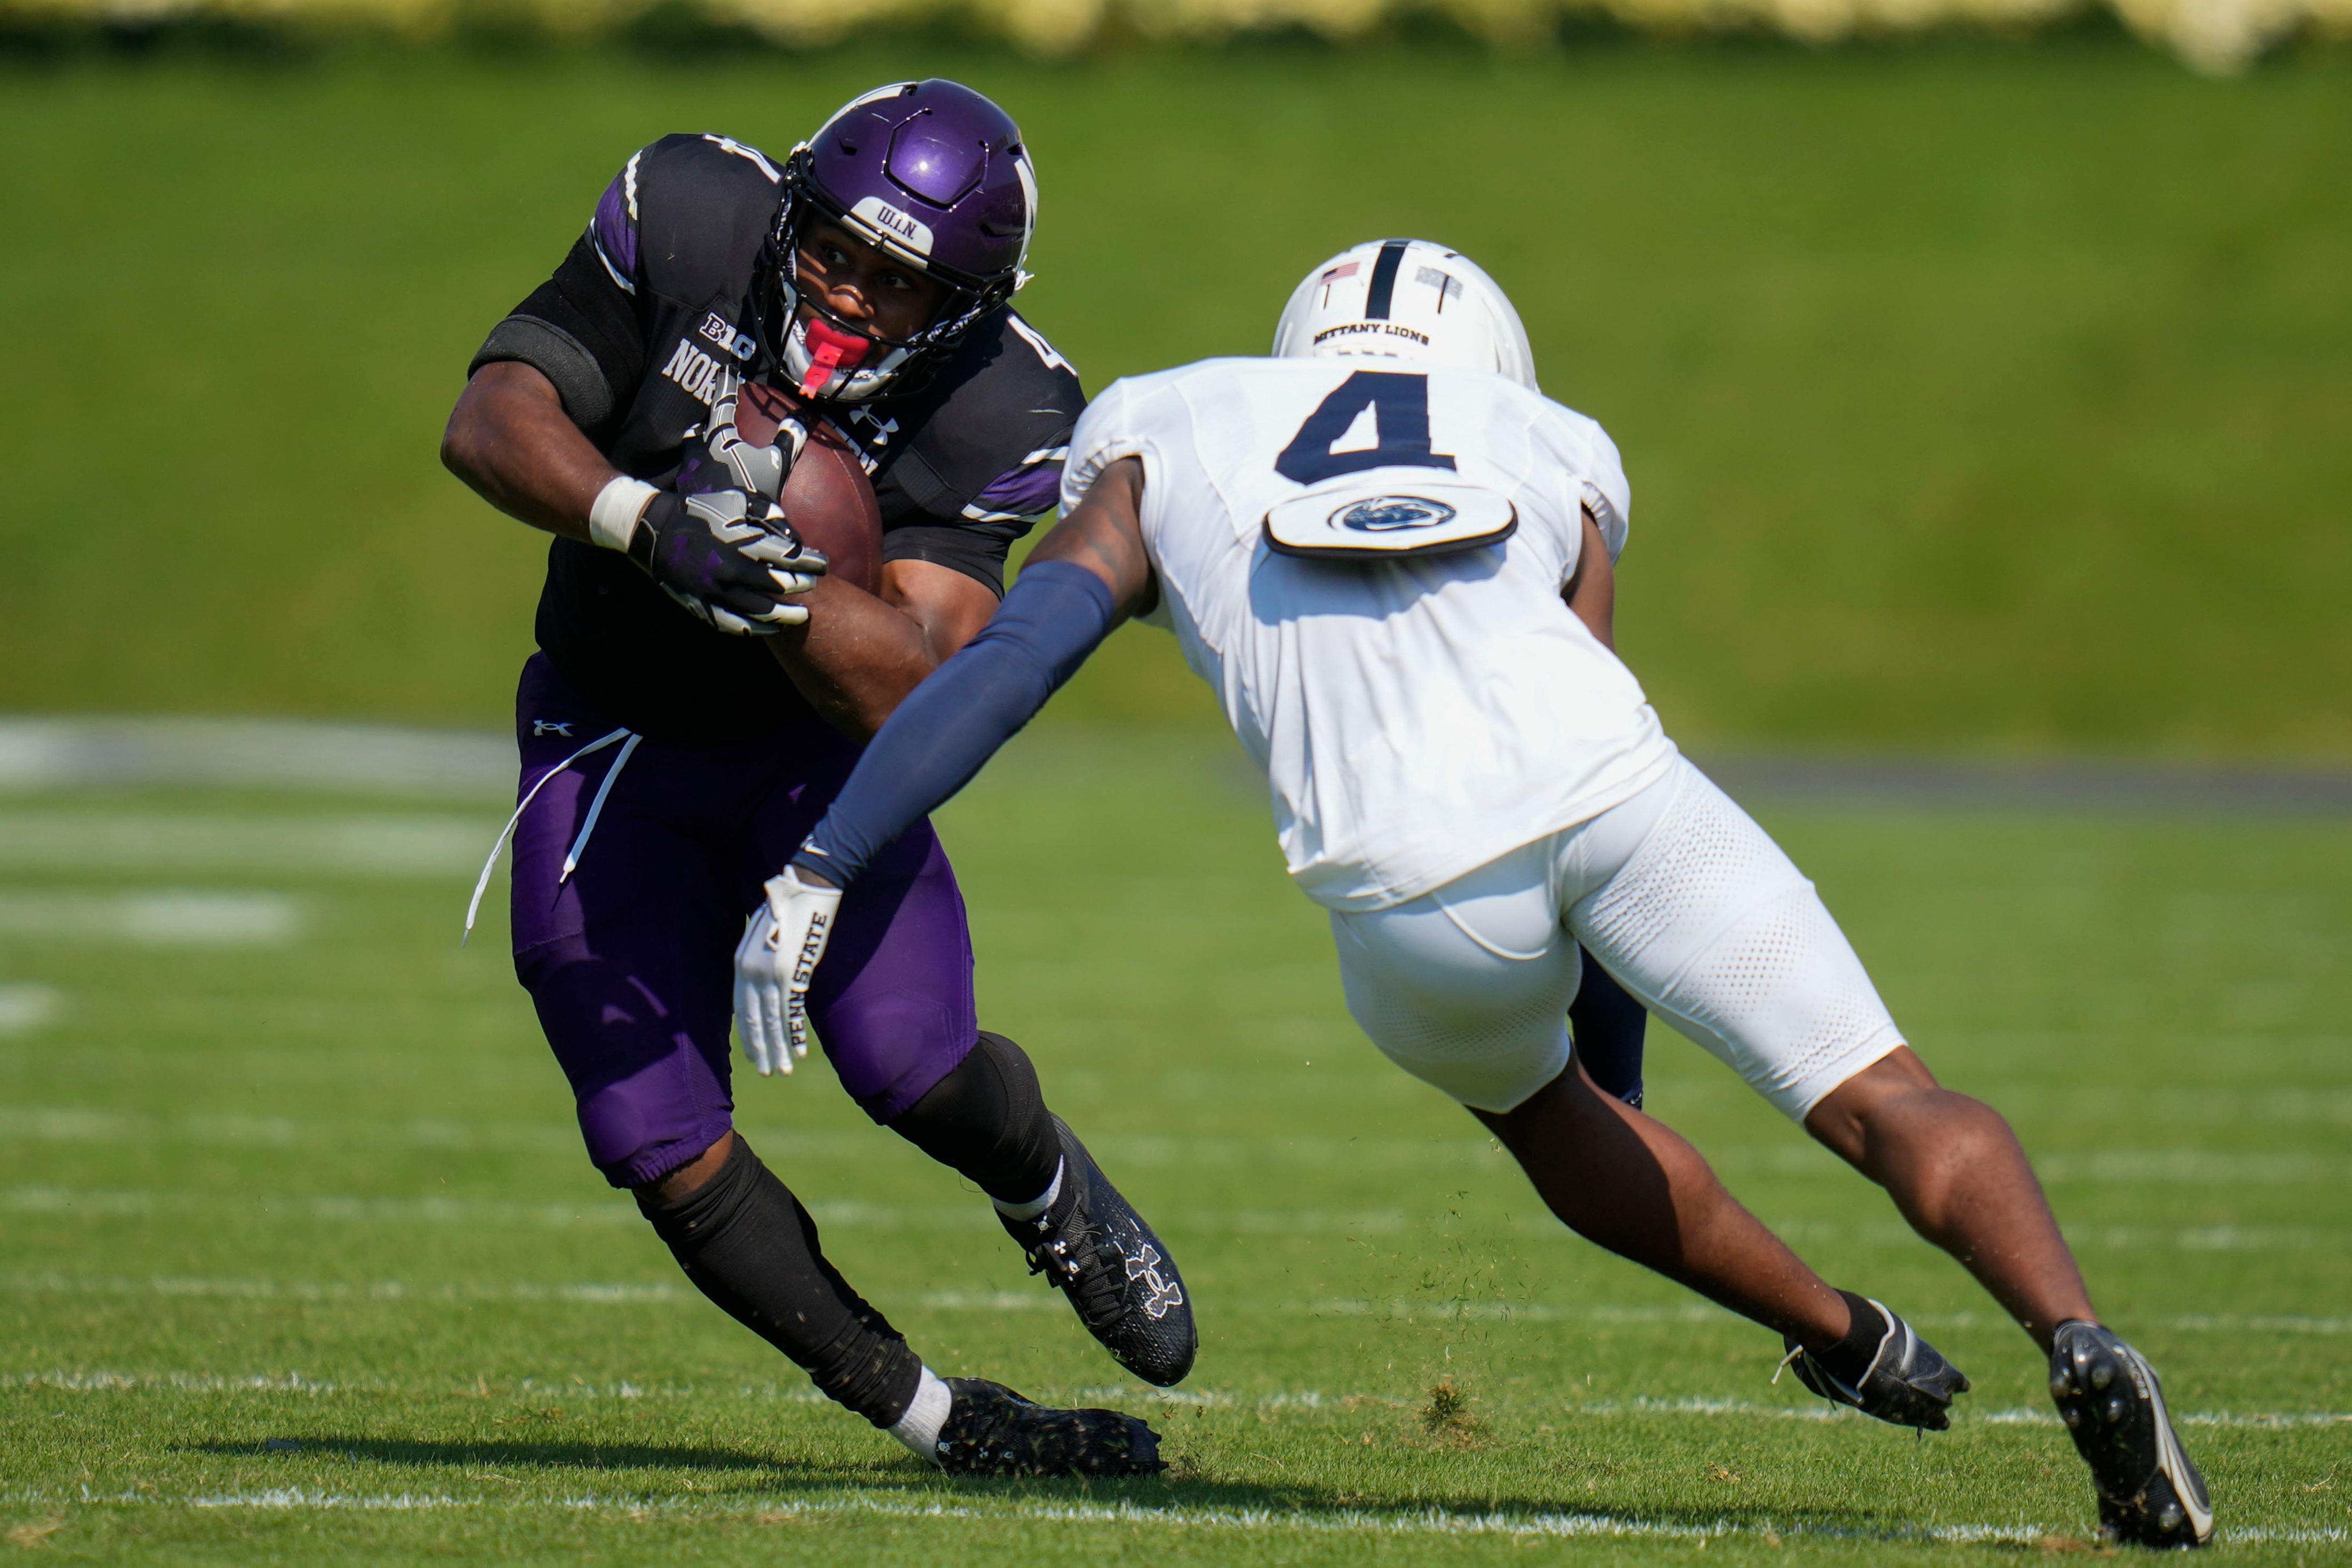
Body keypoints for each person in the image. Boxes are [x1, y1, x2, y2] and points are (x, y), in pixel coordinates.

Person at [740, 239, 2214, 1546]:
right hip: (1618, 790)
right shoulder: (1545, 436)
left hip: (1413, 882)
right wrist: (1623, 1054)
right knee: (1889, 1094)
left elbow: (1011, 664)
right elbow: (1592, 689)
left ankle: (1842, 1333)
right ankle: (2075, 1331)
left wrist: (826, 858)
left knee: (1548, 1112)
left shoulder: (1169, 420)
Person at [437, 80, 1191, 1477]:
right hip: (612, 745)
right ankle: (940, 1420)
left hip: (814, 770)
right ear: (790, 214)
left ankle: (1048, 1191)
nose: (847, 298)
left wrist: (775, 583)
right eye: (835, 251)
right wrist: (645, 520)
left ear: (962, 310)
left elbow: (920, 679)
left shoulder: (1008, 405)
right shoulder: (693, 216)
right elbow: (491, 418)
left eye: (898, 287)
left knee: (910, 1064)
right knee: (650, 1132)